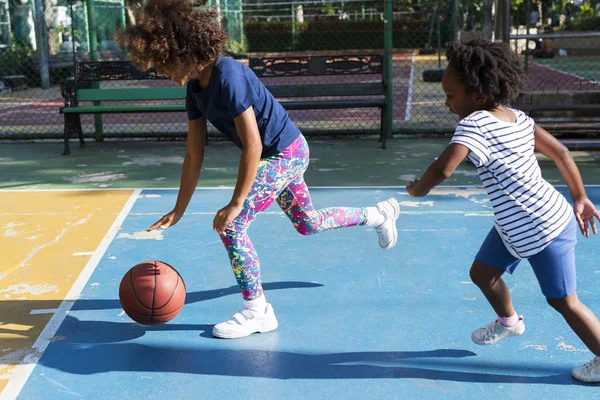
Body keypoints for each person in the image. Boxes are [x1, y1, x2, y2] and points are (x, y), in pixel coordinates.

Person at [117, 0, 400, 339]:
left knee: (232, 226)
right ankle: (377, 215)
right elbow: (194, 155)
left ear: (181, 50)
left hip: (286, 153)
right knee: (308, 224)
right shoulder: (195, 89)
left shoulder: (229, 75)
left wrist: (236, 203)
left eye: (162, 63)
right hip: (280, 154)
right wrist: (179, 208)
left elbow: (252, 144)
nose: (159, 71)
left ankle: (257, 311)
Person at [405, 38, 600, 382]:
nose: (447, 104)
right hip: (516, 224)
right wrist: (580, 196)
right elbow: (562, 154)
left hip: (543, 229)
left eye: (451, 96)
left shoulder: (474, 125)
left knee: (564, 302)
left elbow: (443, 169)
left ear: (477, 97)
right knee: (482, 273)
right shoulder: (515, 117)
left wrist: (418, 188)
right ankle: (510, 322)